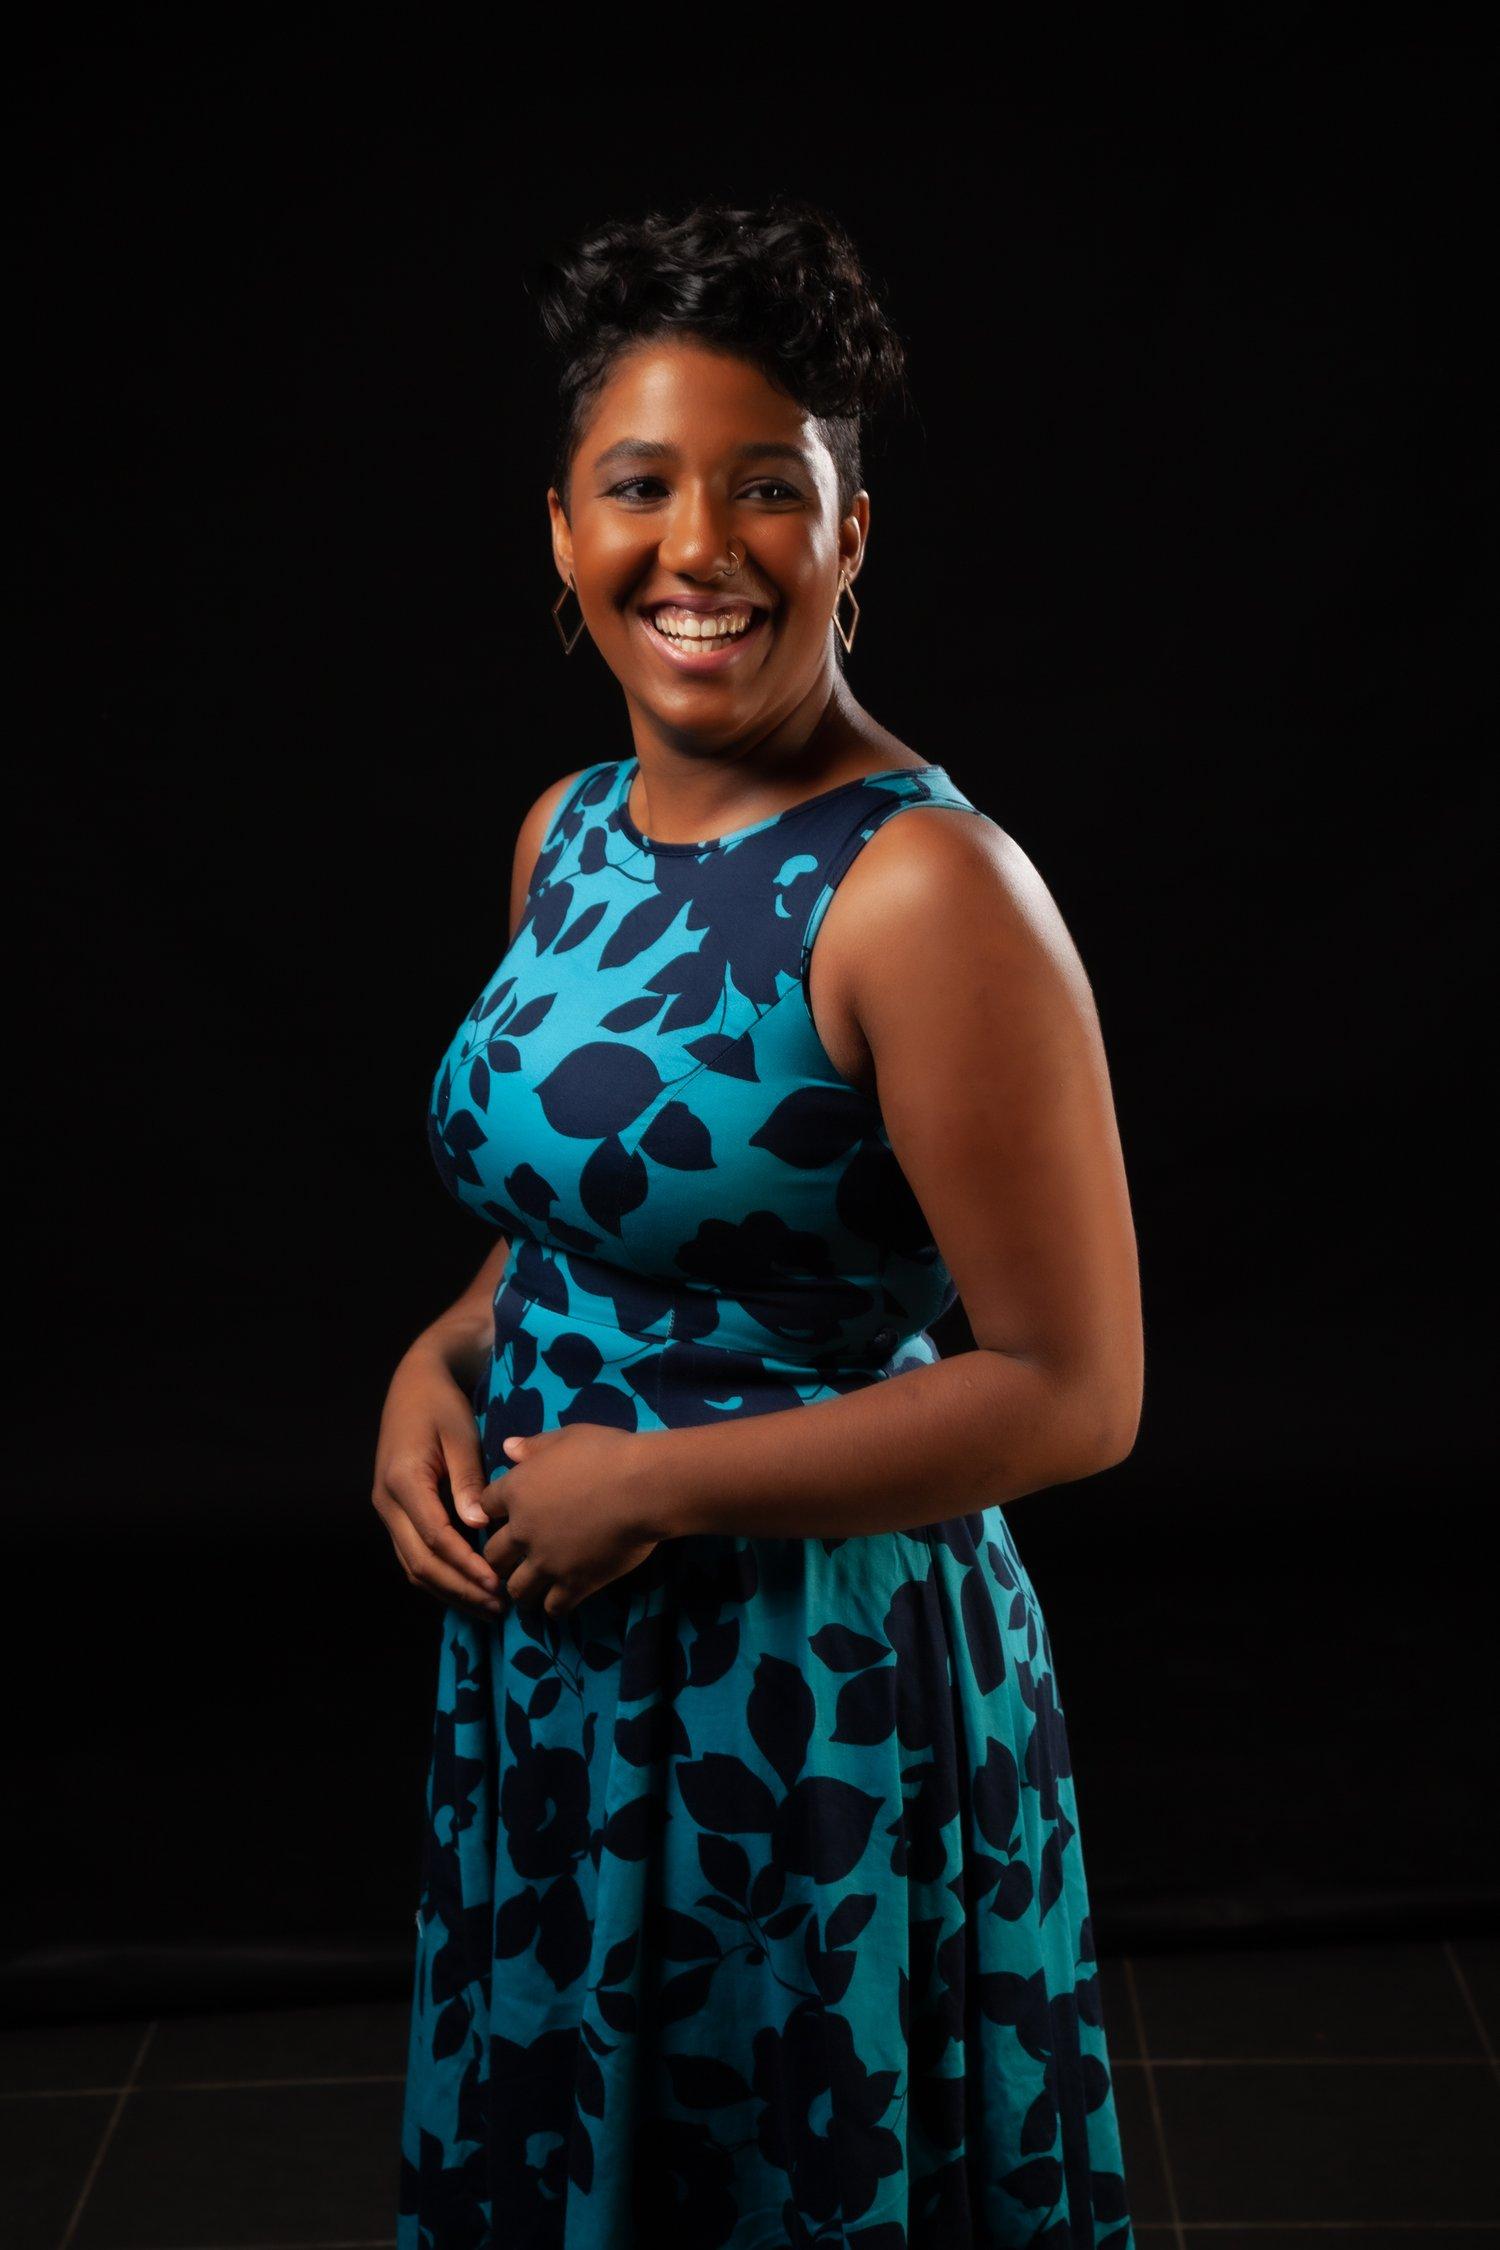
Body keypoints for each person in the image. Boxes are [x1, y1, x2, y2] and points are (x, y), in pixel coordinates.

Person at [377, 194, 1143, 2249]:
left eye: (766, 493)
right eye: (642, 488)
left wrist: (663, 1492)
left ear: (851, 537)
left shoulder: (928, 892)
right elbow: (591, 1214)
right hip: (560, 1669)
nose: (697, 549)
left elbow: (1074, 1394)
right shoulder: (569, 832)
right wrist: (439, 1357)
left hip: (810, 1704)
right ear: (562, 532)